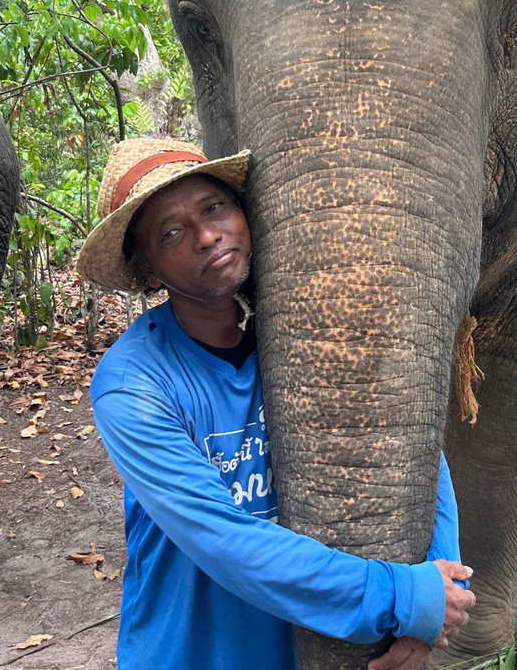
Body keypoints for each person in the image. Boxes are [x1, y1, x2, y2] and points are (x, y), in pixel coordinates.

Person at [76, 138, 475, 670]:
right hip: (193, 653)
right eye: (172, 233)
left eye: (214, 208)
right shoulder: (133, 384)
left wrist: (439, 585)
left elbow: (411, 443)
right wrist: (404, 598)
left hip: (309, 643)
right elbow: (223, 540)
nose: (207, 236)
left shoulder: (309, 333)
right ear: (148, 272)